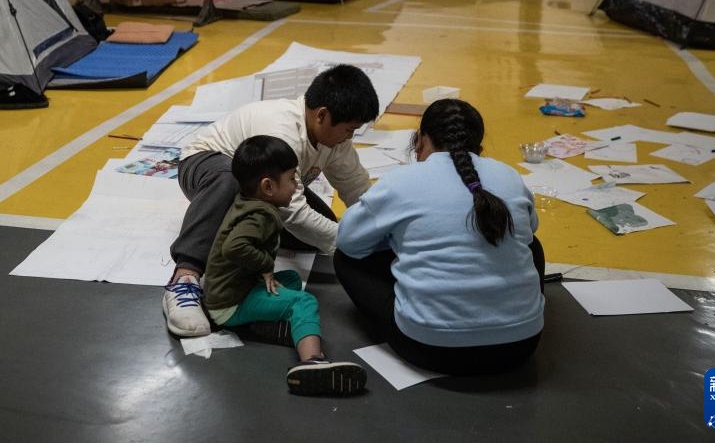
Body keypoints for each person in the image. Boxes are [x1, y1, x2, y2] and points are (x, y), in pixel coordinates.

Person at [162, 64, 379, 337]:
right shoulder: (282, 129)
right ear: (322, 115)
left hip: (260, 191)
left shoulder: (335, 140)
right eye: (349, 130)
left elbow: (357, 188)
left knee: (321, 228)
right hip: (206, 165)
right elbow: (295, 213)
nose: (350, 137)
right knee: (230, 181)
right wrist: (352, 244)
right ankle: (185, 277)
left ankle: (234, 233)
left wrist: (382, 230)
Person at [334, 98, 545, 375]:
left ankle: (425, 310)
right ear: (479, 147)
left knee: (346, 259)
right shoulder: (508, 176)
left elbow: (348, 240)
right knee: (533, 246)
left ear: (421, 140)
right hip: (521, 345)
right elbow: (530, 229)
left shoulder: (401, 181)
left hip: (432, 349)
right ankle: (514, 312)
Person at [203, 135, 367, 396]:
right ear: (268, 186)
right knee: (303, 302)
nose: (295, 186)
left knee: (289, 278)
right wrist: (266, 265)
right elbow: (233, 247)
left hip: (228, 292)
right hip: (229, 303)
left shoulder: (250, 203)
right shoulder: (260, 215)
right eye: (292, 179)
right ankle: (313, 362)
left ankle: (264, 326)